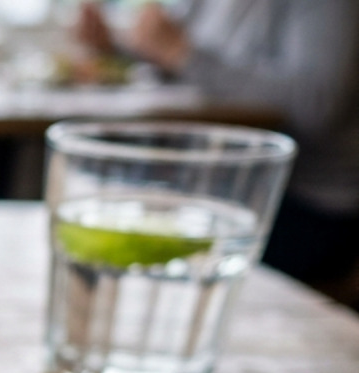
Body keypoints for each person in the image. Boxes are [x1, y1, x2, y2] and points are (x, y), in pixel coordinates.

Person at [77, 1, 359, 300]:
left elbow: (316, 105)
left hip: (306, 203)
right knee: (97, 199)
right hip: (217, 185)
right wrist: (118, 48)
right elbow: (195, 68)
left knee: (129, 246)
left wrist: (183, 55)